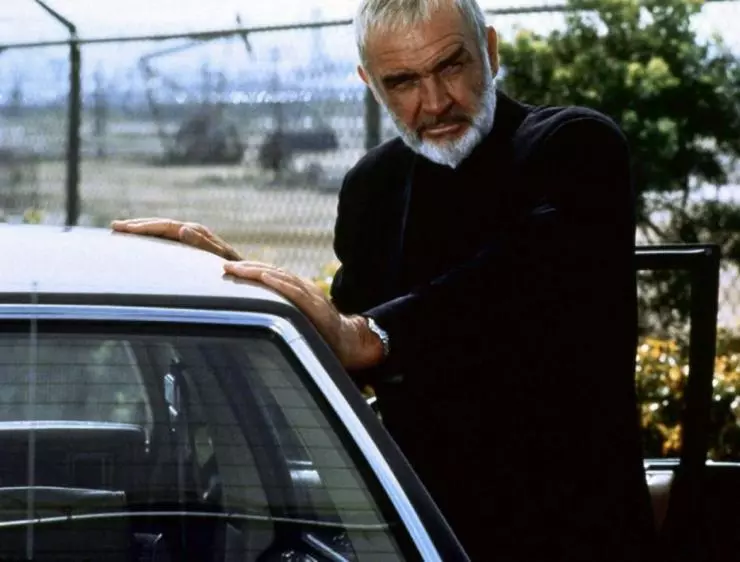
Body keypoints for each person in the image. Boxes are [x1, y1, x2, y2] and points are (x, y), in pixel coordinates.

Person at [112, 0, 657, 559]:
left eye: (451, 66)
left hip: (576, 531)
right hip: (418, 535)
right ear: (371, 85)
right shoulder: (373, 187)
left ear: (490, 53)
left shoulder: (574, 147)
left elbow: (528, 278)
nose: (435, 101)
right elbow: (341, 356)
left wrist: (372, 335)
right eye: (403, 82)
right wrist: (239, 281)